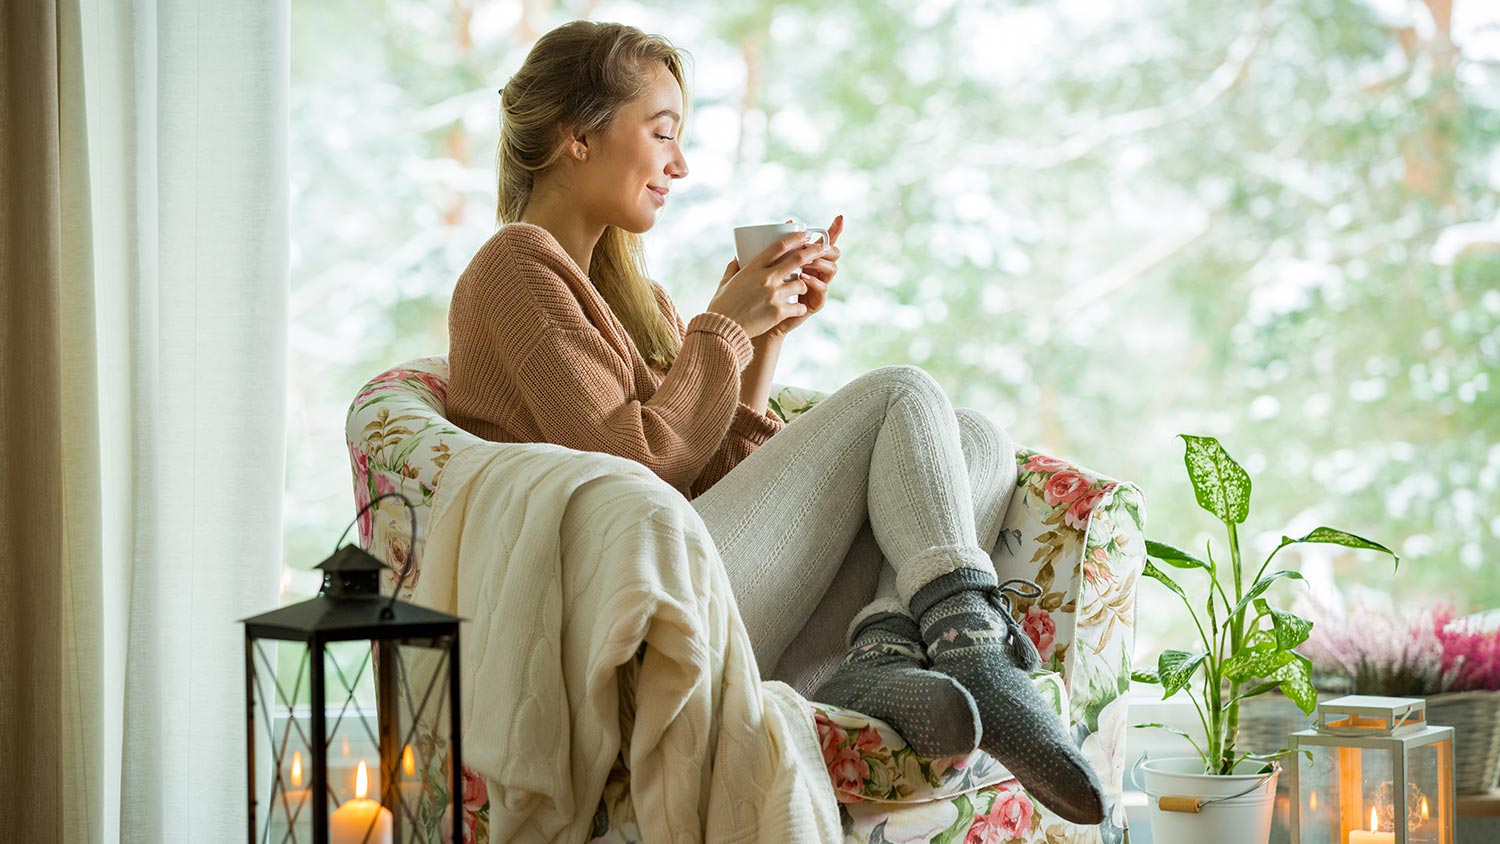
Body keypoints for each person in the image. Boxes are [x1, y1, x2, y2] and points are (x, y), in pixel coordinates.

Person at [445, 19, 1104, 825]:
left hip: (697, 589)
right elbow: (635, 476)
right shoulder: (514, 268)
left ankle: (886, 653)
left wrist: (760, 341)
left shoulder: (636, 302)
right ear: (577, 135)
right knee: (901, 391)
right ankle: (975, 649)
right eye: (663, 134)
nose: (679, 166)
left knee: (976, 441)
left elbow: (709, 483)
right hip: (626, 637)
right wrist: (722, 327)